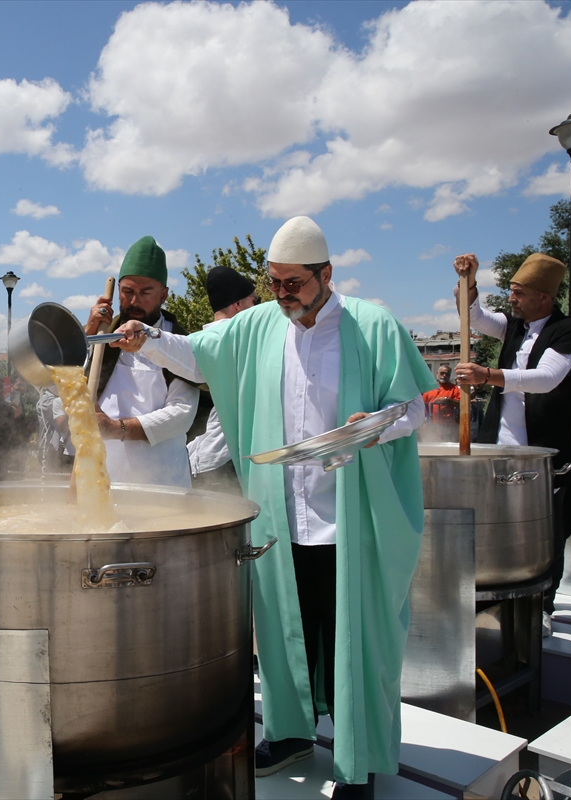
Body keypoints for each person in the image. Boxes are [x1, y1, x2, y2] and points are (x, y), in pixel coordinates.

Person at [113, 216, 432, 798]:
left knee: (353, 642)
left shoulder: (373, 324)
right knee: (287, 633)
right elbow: (197, 355)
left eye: (294, 284)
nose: (283, 294)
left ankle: (356, 760)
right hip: (283, 516)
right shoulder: (257, 325)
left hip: (351, 518)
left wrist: (374, 428)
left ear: (325, 274)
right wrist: (149, 338)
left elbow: (415, 410)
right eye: (276, 282)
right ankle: (291, 733)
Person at [452, 253, 571, 634]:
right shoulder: (514, 326)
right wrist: (471, 282)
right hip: (499, 449)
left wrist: (489, 375)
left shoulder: (568, 333)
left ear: (543, 297)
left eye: (518, 292)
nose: (511, 299)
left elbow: (546, 378)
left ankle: (541, 604)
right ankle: (493, 603)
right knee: (495, 528)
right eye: (511, 291)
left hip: (543, 451)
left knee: (546, 531)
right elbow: (475, 318)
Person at [86, 236, 199, 488]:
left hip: (163, 482)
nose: (135, 301)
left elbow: (182, 414)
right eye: (127, 292)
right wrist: (90, 332)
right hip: (105, 479)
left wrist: (117, 429)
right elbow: (67, 383)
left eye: (145, 293)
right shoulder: (104, 336)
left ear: (164, 295)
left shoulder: (179, 344)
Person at [186, 266, 257, 492]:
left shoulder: (200, 343)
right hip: (225, 461)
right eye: (254, 302)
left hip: (202, 459)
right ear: (238, 305)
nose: (258, 308)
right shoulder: (241, 340)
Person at [421, 365, 462, 432]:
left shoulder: (454, 389)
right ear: (437, 373)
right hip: (432, 425)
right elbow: (423, 407)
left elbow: (461, 404)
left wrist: (448, 400)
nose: (444, 375)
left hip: (448, 426)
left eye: (447, 374)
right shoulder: (429, 388)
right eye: (442, 373)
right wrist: (424, 422)